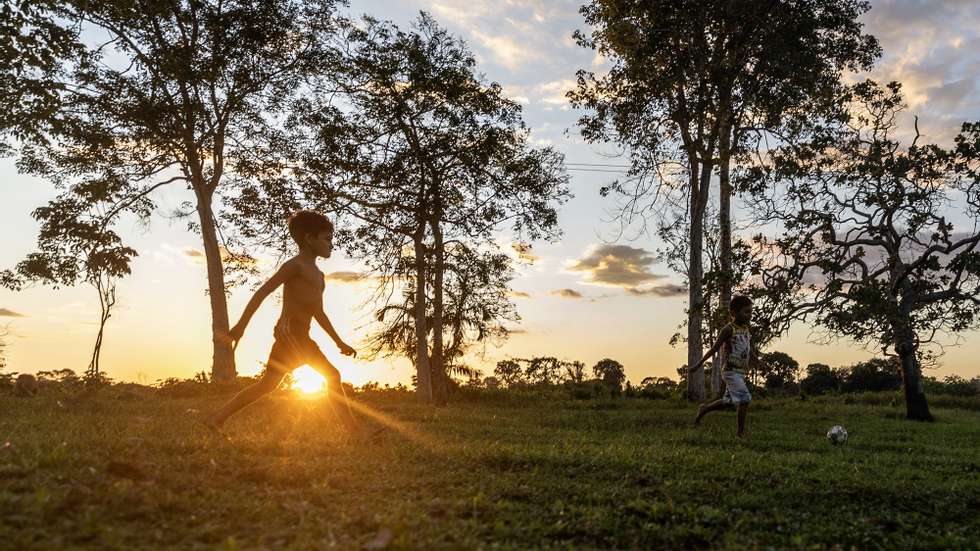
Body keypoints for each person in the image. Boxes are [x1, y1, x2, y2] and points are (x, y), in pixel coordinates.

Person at [206, 210, 359, 433]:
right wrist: (241, 326)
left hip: (299, 334)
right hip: (290, 333)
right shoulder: (294, 266)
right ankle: (356, 433)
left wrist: (339, 342)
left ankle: (216, 419)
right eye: (326, 239)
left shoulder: (319, 276)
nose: (331, 244)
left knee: (267, 385)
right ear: (309, 239)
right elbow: (262, 293)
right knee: (332, 375)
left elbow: (319, 313)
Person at [689, 295, 766, 438]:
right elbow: (713, 349)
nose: (749, 315)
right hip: (730, 371)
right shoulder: (728, 330)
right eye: (746, 312)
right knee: (745, 399)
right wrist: (697, 365)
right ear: (733, 313)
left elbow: (748, 348)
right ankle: (740, 433)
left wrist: (758, 362)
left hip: (740, 371)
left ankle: (704, 409)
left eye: (750, 312)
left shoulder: (746, 328)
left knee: (728, 402)